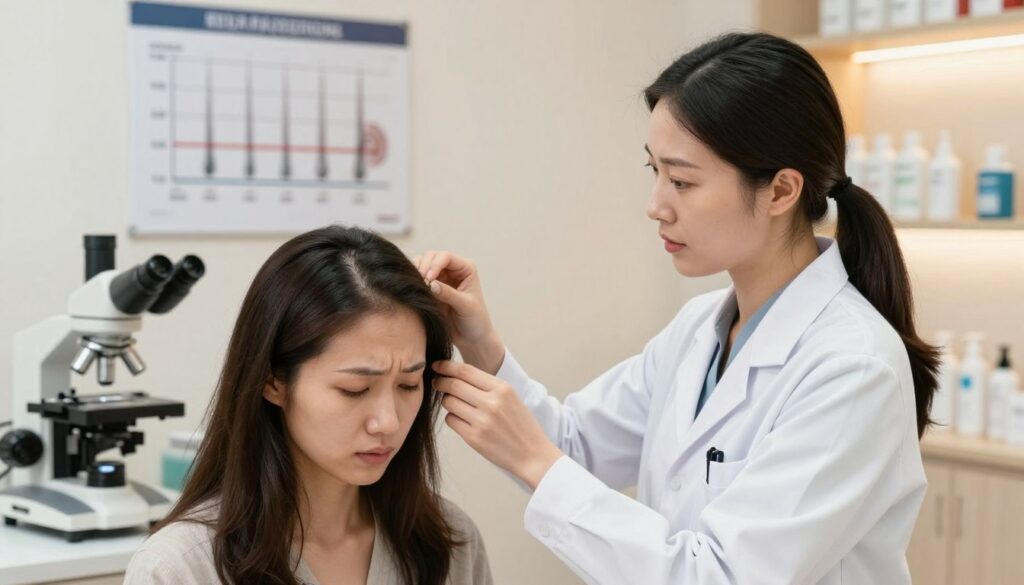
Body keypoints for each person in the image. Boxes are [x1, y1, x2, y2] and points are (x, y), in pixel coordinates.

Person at [416, 32, 939, 584]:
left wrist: (535, 461)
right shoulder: (699, 330)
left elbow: (722, 576)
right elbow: (574, 446)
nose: (656, 206)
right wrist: (481, 344)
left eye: (683, 181)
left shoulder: (852, 368)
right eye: (655, 172)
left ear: (782, 192)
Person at [125, 226, 493, 585]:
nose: (388, 422)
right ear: (272, 381)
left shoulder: (450, 543)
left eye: (409, 384)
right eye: (355, 389)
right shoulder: (178, 569)